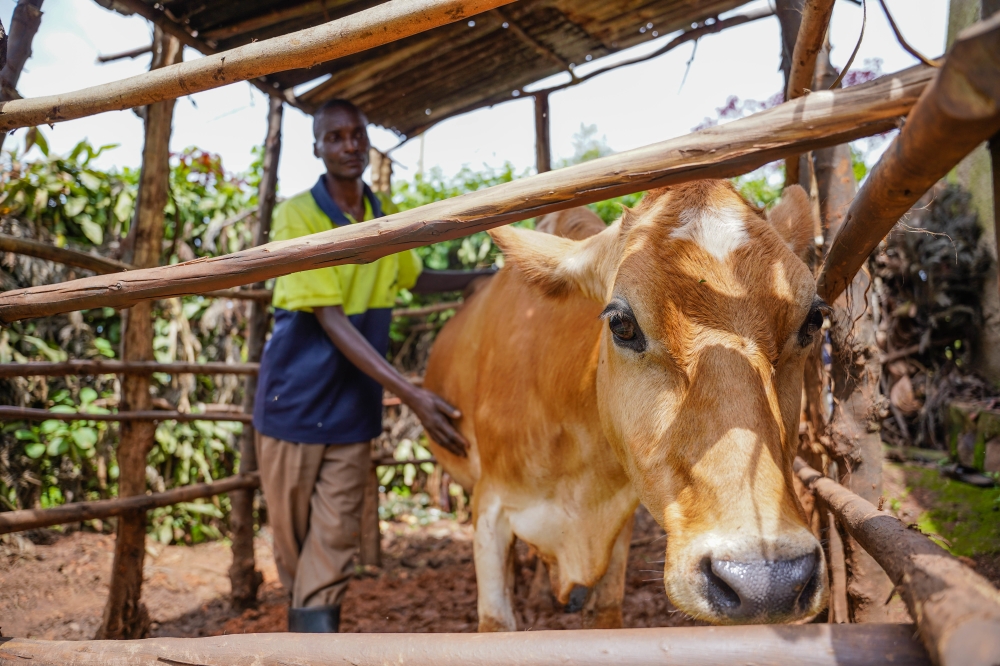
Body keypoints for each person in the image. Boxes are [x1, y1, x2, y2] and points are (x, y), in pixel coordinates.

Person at [253, 99, 491, 633]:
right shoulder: (299, 216)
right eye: (334, 137)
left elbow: (415, 276)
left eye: (356, 134)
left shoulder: (382, 218)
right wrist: (412, 394)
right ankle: (308, 637)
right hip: (293, 404)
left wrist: (485, 276)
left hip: (351, 411)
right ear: (316, 147)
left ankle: (314, 646)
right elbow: (331, 320)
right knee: (293, 548)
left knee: (334, 541)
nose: (348, 145)